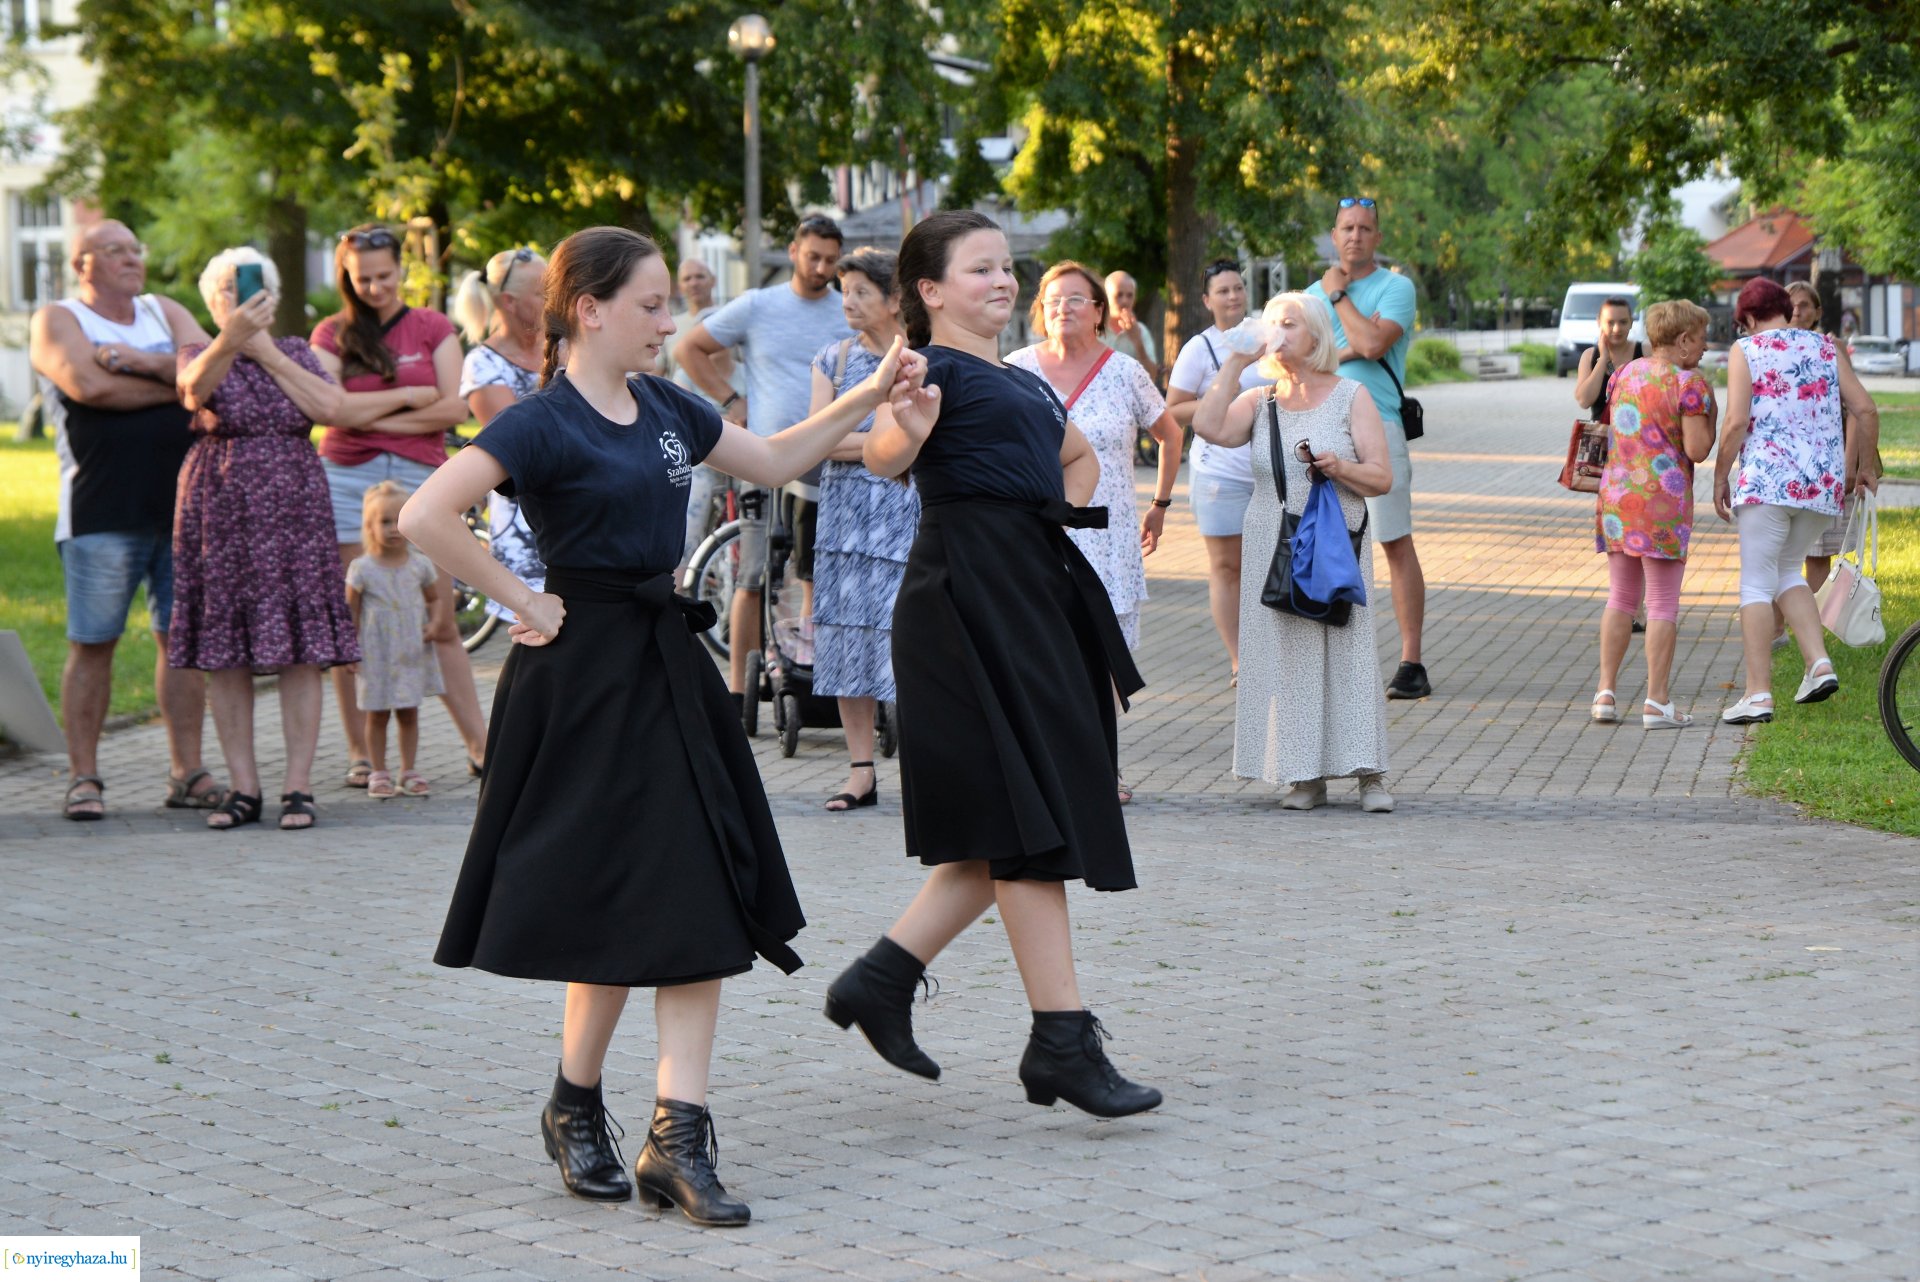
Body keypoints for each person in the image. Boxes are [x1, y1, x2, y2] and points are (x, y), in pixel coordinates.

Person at [400, 226, 919, 1226]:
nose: (669, 322)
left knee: (697, 894)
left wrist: (869, 393)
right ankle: (575, 1102)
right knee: (610, 900)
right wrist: (523, 597)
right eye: (650, 304)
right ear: (588, 308)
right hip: (580, 679)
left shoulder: (670, 410)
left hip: (669, 673)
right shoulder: (542, 423)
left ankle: (678, 1135)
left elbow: (769, 456)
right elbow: (427, 514)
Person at [824, 209, 1163, 1121]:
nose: (1003, 281)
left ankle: (881, 981)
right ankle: (1061, 1039)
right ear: (929, 291)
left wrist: (1047, 523)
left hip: (1028, 593)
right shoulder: (924, 371)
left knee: (1012, 819)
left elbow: (1081, 456)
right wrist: (909, 426)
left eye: (1006, 267)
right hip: (965, 606)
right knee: (1028, 822)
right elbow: (890, 455)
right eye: (980, 270)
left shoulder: (1014, 378)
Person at [29, 218, 223, 821]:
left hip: (184, 506)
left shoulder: (162, 311)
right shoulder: (59, 319)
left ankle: (186, 772)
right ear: (82, 264)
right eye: (114, 251)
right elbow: (89, 386)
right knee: (93, 644)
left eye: (135, 249)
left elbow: (214, 370)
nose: (131, 259)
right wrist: (176, 383)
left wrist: (136, 361)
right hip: (99, 509)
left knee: (182, 643)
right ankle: (84, 777)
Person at [172, 248, 369, 831]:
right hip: (220, 507)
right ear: (213, 302)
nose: (240, 298)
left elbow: (330, 407)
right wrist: (232, 341)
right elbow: (193, 390)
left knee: (302, 649)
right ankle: (244, 788)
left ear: (273, 298)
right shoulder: (197, 351)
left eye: (251, 289)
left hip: (294, 506)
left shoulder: (296, 351)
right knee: (224, 650)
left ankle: (298, 788)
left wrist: (262, 351)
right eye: (228, 291)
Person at [1193, 293, 1396, 812]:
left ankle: (1370, 775)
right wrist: (1236, 361)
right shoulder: (1260, 401)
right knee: (1290, 656)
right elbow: (1208, 427)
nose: (1279, 332)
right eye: (1272, 323)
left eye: (1290, 323)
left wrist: (1340, 468)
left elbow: (1381, 476)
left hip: (1334, 537)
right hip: (1272, 536)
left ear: (1316, 335)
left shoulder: (1352, 395)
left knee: (1346, 649)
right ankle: (1304, 775)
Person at [311, 224, 488, 785]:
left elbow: (452, 408)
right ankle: (363, 754)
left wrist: (370, 415)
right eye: (362, 278)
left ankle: (481, 744)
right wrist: (410, 397)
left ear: (401, 270)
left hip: (421, 476)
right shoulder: (331, 332)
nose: (375, 287)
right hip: (345, 479)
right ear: (346, 275)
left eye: (385, 275)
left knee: (439, 616)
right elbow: (329, 409)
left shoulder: (433, 326)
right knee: (352, 621)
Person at [1007, 261, 1181, 804]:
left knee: (1102, 660)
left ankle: (1103, 767)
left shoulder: (1125, 372)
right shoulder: (1014, 370)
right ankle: (1045, 768)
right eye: (1053, 300)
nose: (1063, 308)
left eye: (1076, 299)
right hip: (1035, 534)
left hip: (1109, 537)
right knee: (1040, 652)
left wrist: (1160, 504)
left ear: (1099, 311)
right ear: (1040, 311)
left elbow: (1171, 435)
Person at [676, 215, 852, 703]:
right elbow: (690, 347)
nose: (820, 267)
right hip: (765, 458)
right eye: (812, 256)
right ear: (794, 250)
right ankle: (739, 691)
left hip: (832, 460)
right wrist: (731, 401)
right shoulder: (758, 305)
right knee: (755, 574)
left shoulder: (847, 311)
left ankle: (828, 683)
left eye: (830, 261)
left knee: (824, 572)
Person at [1714, 278, 1879, 725]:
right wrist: (1866, 466)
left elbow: (1735, 422)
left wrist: (1719, 474)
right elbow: (1865, 409)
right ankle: (1819, 663)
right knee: (1788, 570)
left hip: (1766, 484)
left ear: (1746, 318)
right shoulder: (1826, 348)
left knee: (1754, 583)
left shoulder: (1745, 350)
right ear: (1786, 308)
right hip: (1820, 487)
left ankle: (1757, 694)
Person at [805, 248, 921, 812]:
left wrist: (860, 444)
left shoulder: (920, 360)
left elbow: (928, 438)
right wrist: (889, 445)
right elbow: (817, 439)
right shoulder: (832, 359)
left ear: (895, 299)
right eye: (843, 291)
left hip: (910, 515)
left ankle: (927, 767)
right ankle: (860, 772)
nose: (847, 301)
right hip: (847, 522)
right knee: (849, 636)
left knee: (915, 637)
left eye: (860, 292)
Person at [1305, 197, 1430, 700]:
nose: (1355, 236)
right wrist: (1352, 338)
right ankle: (1336, 663)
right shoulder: (1309, 295)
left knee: (1393, 541)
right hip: (1322, 424)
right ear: (1333, 236)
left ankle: (1411, 663)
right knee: (1324, 541)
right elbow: (1304, 359)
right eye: (1347, 228)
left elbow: (1375, 345)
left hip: (1378, 425)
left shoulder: (1395, 287)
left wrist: (1340, 304)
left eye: (1365, 228)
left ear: (1377, 238)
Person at [1586, 301, 1717, 730]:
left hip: (1617, 500)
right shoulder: (1689, 383)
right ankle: (1657, 701)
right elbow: (1697, 450)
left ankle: (1605, 692)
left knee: (1621, 597)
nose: (1704, 346)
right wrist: (1711, 413)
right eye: (1699, 338)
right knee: (1661, 604)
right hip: (1662, 505)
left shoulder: (1625, 373)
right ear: (1681, 342)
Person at [1165, 259, 1273, 685]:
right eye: (1222, 291)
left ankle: (1275, 652)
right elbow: (1174, 408)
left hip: (1270, 471)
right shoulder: (1200, 348)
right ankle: (1239, 661)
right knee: (1228, 568)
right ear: (1207, 300)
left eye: (1237, 289)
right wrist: (1224, 405)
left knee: (1269, 563)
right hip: (1220, 475)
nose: (1232, 297)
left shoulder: (1269, 335)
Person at [454, 246, 550, 626]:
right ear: (508, 301)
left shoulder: (568, 345)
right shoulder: (483, 363)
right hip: (527, 524)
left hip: (585, 510)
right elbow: (522, 442)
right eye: (544, 292)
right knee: (536, 636)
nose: (555, 298)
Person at [1785, 281, 1880, 606]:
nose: (1797, 311)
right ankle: (1780, 622)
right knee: (1780, 552)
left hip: (1825, 462)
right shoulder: (1771, 347)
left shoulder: (1831, 347)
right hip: (1787, 463)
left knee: (1818, 551)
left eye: (1805, 305)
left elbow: (1855, 409)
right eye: (1791, 304)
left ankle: (1807, 621)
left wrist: (1849, 462)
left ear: (1818, 312)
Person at [347, 483, 443, 799]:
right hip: (376, 654)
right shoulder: (362, 569)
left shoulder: (419, 565)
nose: (392, 529)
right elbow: (352, 612)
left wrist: (435, 623)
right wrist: (350, 650)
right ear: (369, 527)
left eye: (399, 520)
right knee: (376, 713)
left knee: (408, 711)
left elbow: (435, 598)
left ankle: (409, 770)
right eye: (384, 522)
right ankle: (378, 771)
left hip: (410, 651)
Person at [658, 256, 744, 562]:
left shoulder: (744, 372)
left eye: (700, 276)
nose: (694, 283)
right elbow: (662, 381)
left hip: (739, 453)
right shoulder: (673, 326)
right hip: (696, 449)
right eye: (687, 278)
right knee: (688, 518)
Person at [1573, 296, 1643, 425]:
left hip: (1637, 439)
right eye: (1610, 322)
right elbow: (1584, 401)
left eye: (1623, 322)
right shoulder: (1589, 356)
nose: (1617, 329)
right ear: (1599, 322)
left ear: (1631, 322)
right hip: (1602, 439)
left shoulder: (1645, 352)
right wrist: (1603, 359)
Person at [1102, 270, 1161, 384]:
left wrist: (1137, 342)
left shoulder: (1141, 331)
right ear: (1105, 296)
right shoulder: (1092, 328)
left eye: (1130, 295)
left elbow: (1151, 376)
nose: (1125, 301)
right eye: (1119, 295)